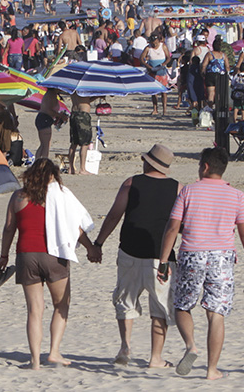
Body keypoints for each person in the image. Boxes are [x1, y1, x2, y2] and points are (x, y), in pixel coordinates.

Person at [157, 147, 244, 380]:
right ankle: (212, 369)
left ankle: (191, 345)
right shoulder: (237, 196)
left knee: (183, 305)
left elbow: (173, 227)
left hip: (192, 253)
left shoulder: (188, 192)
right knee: (216, 313)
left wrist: (164, 260)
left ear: (204, 167)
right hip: (222, 257)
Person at [0, 159, 96, 369]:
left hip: (26, 255)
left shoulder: (18, 196)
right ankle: (54, 352)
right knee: (61, 304)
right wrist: (91, 247)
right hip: (54, 255)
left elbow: (9, 228)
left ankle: (35, 361)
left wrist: (4, 256)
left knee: (34, 310)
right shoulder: (60, 196)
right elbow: (75, 227)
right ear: (53, 176)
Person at [89, 144, 180, 368]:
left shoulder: (131, 183)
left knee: (125, 302)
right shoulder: (177, 188)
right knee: (160, 306)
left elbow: (114, 216)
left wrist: (99, 243)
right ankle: (156, 358)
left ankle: (125, 346)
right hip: (162, 256)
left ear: (148, 162)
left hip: (130, 250)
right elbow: (181, 225)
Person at [141, 35, 171, 116]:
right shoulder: (148, 48)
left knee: (163, 92)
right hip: (152, 72)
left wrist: (163, 64)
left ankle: (164, 110)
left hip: (162, 72)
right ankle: (155, 108)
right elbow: (141, 58)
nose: (154, 45)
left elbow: (168, 57)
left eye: (156, 43)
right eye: (153, 43)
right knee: (154, 92)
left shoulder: (163, 46)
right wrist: (148, 66)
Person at [67, 94, 93, 175]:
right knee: (85, 143)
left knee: (74, 143)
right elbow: (85, 99)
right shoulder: (83, 87)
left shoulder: (74, 88)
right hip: (83, 114)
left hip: (74, 113)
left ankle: (71, 168)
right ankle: (82, 168)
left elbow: (83, 100)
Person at [35, 87, 64, 159]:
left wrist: (57, 116)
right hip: (45, 119)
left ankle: (38, 162)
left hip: (44, 119)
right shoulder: (51, 95)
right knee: (46, 145)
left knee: (43, 144)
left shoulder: (51, 94)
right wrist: (60, 115)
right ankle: (43, 163)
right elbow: (48, 110)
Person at [200, 36, 227, 107]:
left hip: (210, 75)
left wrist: (203, 73)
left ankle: (209, 109)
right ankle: (219, 109)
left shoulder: (209, 54)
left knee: (211, 94)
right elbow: (227, 66)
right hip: (221, 76)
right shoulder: (223, 55)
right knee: (219, 94)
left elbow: (204, 65)